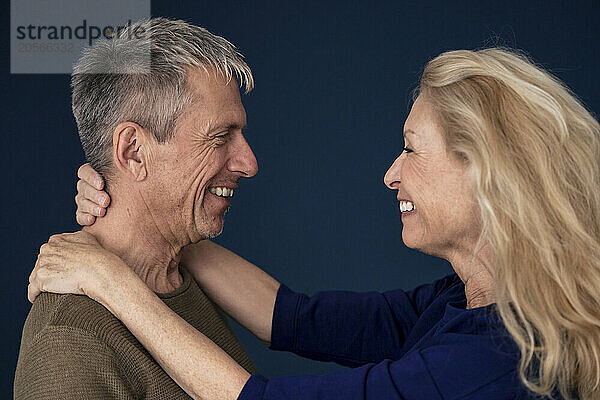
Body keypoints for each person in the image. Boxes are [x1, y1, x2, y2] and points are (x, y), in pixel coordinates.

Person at [29, 47, 600, 399]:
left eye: (411, 149)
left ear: (490, 175)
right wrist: (154, 212)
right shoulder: (466, 304)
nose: (390, 174)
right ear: (134, 151)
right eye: (222, 136)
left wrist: (113, 279)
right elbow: (296, 317)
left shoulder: (496, 359)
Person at [15, 18, 260, 399]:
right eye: (220, 137)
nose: (249, 162)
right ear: (133, 151)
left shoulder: (185, 280)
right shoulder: (68, 340)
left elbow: (306, 320)